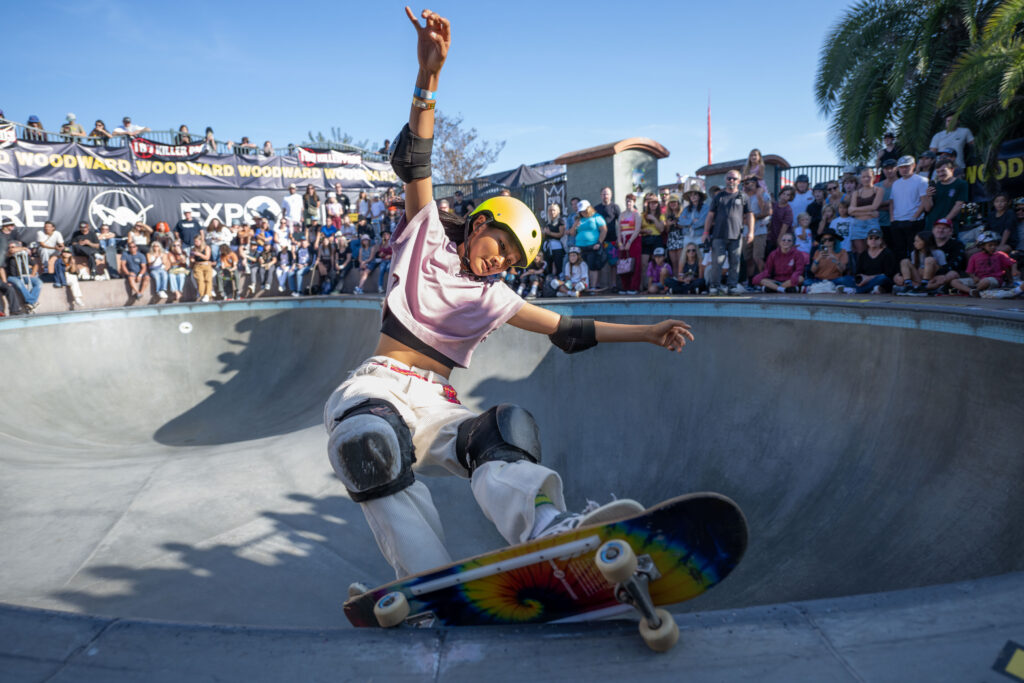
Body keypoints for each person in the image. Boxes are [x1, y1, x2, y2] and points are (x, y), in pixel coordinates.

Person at [323, 8, 692, 581]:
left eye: (514, 261)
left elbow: (569, 331)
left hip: (437, 405)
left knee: (504, 430)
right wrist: (429, 81)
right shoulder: (427, 238)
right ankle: (428, 581)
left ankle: (552, 533)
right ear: (478, 224)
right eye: (500, 246)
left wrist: (647, 332)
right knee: (365, 441)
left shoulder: (496, 298)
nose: (501, 262)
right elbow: (416, 162)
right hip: (376, 386)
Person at [702, 171, 753, 295]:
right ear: (726, 180)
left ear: (739, 181)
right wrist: (706, 232)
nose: (731, 181)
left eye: (734, 179)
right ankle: (714, 287)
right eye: (729, 178)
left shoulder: (743, 196)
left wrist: (751, 232)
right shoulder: (718, 197)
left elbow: (750, 215)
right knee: (717, 262)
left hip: (736, 235)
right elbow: (710, 216)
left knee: (735, 262)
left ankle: (732, 287)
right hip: (719, 235)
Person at [950, 231, 1018, 296]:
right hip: (979, 280)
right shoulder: (974, 257)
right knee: (954, 282)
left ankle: (975, 290)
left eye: (995, 245)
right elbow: (969, 271)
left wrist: (1014, 270)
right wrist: (974, 277)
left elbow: (1013, 263)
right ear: (982, 246)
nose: (993, 247)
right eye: (990, 245)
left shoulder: (1000, 255)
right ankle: (972, 291)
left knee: (985, 281)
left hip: (994, 280)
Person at [889, 155, 929, 259]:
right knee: (899, 251)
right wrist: (892, 218)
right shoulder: (896, 183)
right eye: (901, 167)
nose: (904, 169)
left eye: (907, 166)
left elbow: (924, 201)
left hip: (913, 221)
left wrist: (914, 217)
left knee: (914, 250)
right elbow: (892, 202)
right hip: (897, 221)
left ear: (914, 166)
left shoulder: (921, 180)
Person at [922, 218, 967, 294]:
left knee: (952, 274)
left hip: (946, 274)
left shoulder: (957, 244)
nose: (940, 230)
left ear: (950, 231)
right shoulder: (927, 244)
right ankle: (927, 286)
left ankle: (927, 288)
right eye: (938, 227)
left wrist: (939, 274)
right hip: (927, 274)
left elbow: (955, 264)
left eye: (944, 228)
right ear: (933, 230)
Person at [568, 199, 607, 288]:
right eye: (581, 211)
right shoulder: (578, 219)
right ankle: (583, 286)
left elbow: (603, 230)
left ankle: (593, 287)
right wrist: (574, 225)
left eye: (584, 210)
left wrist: (599, 243)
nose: (582, 212)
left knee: (592, 266)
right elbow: (572, 233)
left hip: (593, 246)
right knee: (581, 267)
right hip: (579, 246)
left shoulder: (597, 217)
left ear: (589, 208)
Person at [846, 228, 897, 293]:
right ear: (867, 240)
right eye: (871, 238)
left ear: (881, 240)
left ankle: (857, 290)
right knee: (847, 278)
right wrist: (862, 278)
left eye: (876, 238)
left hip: (880, 280)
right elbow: (858, 272)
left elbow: (888, 273)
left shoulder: (887, 253)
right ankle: (870, 289)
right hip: (865, 281)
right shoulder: (863, 255)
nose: (873, 240)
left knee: (882, 278)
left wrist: (869, 278)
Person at [924, 159, 968, 231]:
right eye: (938, 172)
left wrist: (944, 221)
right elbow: (927, 209)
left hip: (948, 225)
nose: (940, 174)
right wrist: (928, 196)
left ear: (952, 170)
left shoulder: (961, 184)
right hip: (931, 224)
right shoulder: (935, 185)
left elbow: (959, 205)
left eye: (943, 171)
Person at [848, 168, 883, 255]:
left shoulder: (879, 190)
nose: (866, 179)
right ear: (860, 179)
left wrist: (855, 209)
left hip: (872, 223)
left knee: (874, 251)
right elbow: (850, 211)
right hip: (857, 224)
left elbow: (874, 206)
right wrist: (869, 212)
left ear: (874, 177)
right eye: (863, 177)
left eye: (868, 176)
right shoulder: (856, 193)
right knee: (860, 253)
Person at [743, 177, 772, 279]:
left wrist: (752, 218)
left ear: (756, 183)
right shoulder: (743, 197)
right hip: (745, 232)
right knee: (747, 258)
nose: (748, 185)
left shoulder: (763, 195)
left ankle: (764, 280)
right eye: (746, 183)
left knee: (758, 258)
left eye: (751, 183)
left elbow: (768, 212)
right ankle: (751, 282)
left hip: (760, 231)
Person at [3, 241, 43, 312]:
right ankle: (32, 302)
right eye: (9, 247)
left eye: (13, 246)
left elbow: (35, 265)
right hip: (12, 277)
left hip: (24, 276)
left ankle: (30, 303)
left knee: (38, 282)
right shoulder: (7, 255)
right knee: (18, 283)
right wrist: (24, 248)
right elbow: (11, 251)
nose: (11, 248)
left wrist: (33, 274)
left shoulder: (23, 255)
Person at [593, 187, 620, 286]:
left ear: (611, 195)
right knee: (599, 263)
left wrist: (619, 239)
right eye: (604, 194)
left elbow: (620, 223)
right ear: (601, 195)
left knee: (613, 264)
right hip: (599, 241)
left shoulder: (615, 207)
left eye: (607, 194)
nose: (605, 196)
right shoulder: (596, 208)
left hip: (612, 240)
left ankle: (613, 284)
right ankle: (598, 285)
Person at [616, 194, 642, 293]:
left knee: (635, 264)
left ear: (634, 202)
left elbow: (637, 229)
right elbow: (618, 229)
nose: (628, 203)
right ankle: (625, 286)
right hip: (622, 240)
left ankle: (634, 287)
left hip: (633, 240)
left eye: (630, 201)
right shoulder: (621, 214)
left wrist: (630, 242)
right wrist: (619, 242)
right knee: (623, 265)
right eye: (627, 201)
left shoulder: (636, 214)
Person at [639, 193, 664, 287]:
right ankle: (644, 285)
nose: (653, 205)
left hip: (656, 238)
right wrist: (644, 230)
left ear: (658, 204)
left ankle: (657, 285)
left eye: (655, 203)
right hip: (645, 239)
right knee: (644, 263)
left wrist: (654, 219)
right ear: (648, 204)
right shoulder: (642, 215)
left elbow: (661, 229)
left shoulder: (661, 215)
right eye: (651, 203)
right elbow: (638, 230)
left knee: (657, 262)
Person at [664, 194, 687, 275]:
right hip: (671, 238)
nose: (672, 204)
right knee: (674, 263)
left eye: (674, 202)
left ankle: (681, 279)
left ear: (678, 203)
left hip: (680, 237)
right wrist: (668, 225)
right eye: (671, 203)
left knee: (681, 262)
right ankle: (675, 280)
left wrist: (677, 223)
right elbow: (666, 230)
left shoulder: (683, 213)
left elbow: (685, 226)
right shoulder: (667, 215)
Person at [877, 159, 898, 247]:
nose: (889, 170)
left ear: (896, 168)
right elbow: (873, 205)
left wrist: (881, 204)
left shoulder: (902, 183)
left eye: (891, 168)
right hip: (879, 223)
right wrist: (889, 204)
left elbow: (901, 203)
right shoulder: (877, 186)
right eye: (886, 168)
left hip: (896, 223)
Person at [541, 202, 566, 277]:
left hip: (557, 247)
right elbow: (545, 235)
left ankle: (559, 279)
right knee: (548, 264)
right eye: (550, 210)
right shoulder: (547, 222)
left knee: (558, 264)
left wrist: (549, 233)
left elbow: (561, 234)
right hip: (548, 247)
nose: (552, 212)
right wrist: (543, 233)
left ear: (558, 211)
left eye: (554, 210)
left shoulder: (561, 222)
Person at [191, 234, 214, 302]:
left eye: (197, 241)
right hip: (198, 266)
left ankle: (207, 294)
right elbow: (192, 259)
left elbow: (207, 257)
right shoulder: (194, 248)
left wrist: (199, 254)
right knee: (200, 281)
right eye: (194, 241)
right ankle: (202, 295)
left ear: (201, 241)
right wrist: (191, 259)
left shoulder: (206, 247)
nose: (195, 243)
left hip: (206, 265)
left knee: (208, 280)